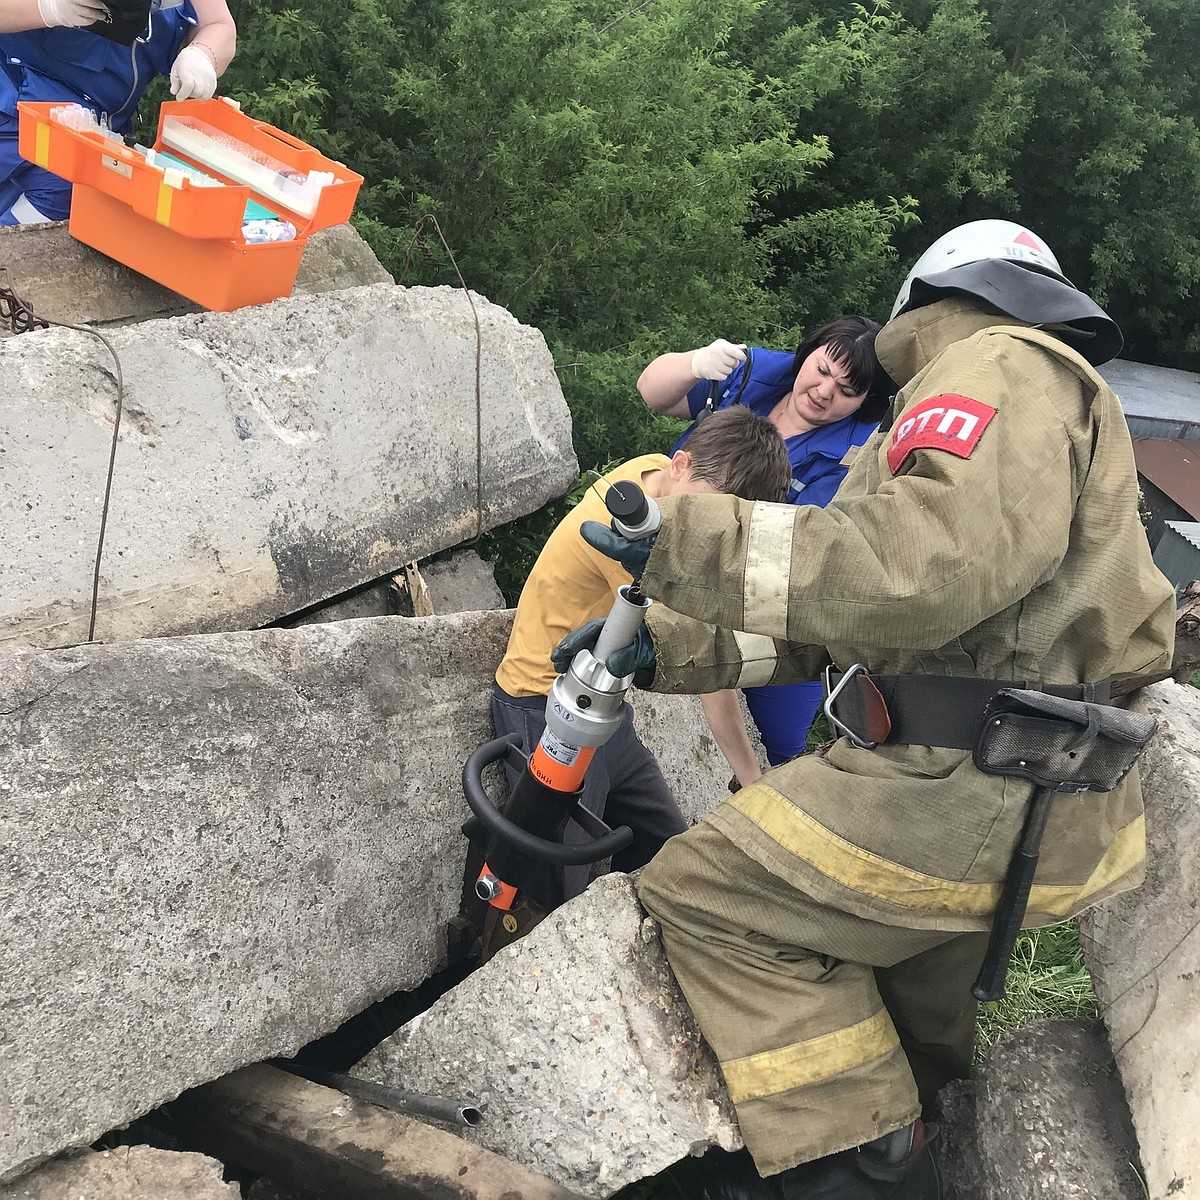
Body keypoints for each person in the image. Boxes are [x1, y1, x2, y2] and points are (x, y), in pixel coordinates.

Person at [555, 219, 1176, 1198]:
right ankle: (902, 1137)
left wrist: (695, 542)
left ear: (931, 299)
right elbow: (855, 621)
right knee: (902, 1006)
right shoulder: (1033, 398)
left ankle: (858, 1164)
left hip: (961, 789)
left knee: (707, 892)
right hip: (1034, 789)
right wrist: (664, 649)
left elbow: (919, 574)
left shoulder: (996, 362)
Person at [493, 404, 791, 902]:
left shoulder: (650, 478)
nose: (705, 537)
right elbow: (707, 674)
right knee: (555, 878)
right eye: (702, 513)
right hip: (541, 704)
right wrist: (751, 780)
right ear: (681, 464)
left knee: (662, 842)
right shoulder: (620, 535)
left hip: (603, 709)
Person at [637, 318, 895, 785]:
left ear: (864, 403)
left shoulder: (853, 461)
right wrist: (695, 363)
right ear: (808, 353)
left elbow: (797, 551)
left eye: (846, 390)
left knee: (779, 738)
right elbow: (654, 392)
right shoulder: (756, 374)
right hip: (668, 552)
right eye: (821, 369)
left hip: (770, 602)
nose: (823, 390)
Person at [0, 0, 236, 224]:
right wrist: (48, 9)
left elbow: (218, 25)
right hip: (9, 101)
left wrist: (203, 54)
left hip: (83, 143)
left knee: (43, 235)